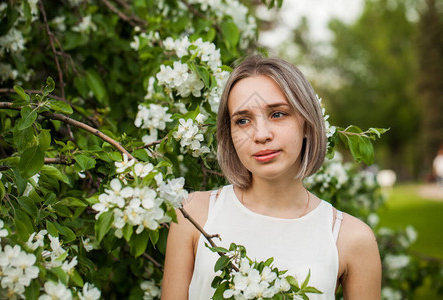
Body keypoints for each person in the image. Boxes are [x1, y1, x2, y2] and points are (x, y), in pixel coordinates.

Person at [161, 55, 381, 299]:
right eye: (243, 120)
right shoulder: (194, 214)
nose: (261, 135)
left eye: (277, 114)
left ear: (307, 124)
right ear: (231, 135)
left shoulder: (350, 238)